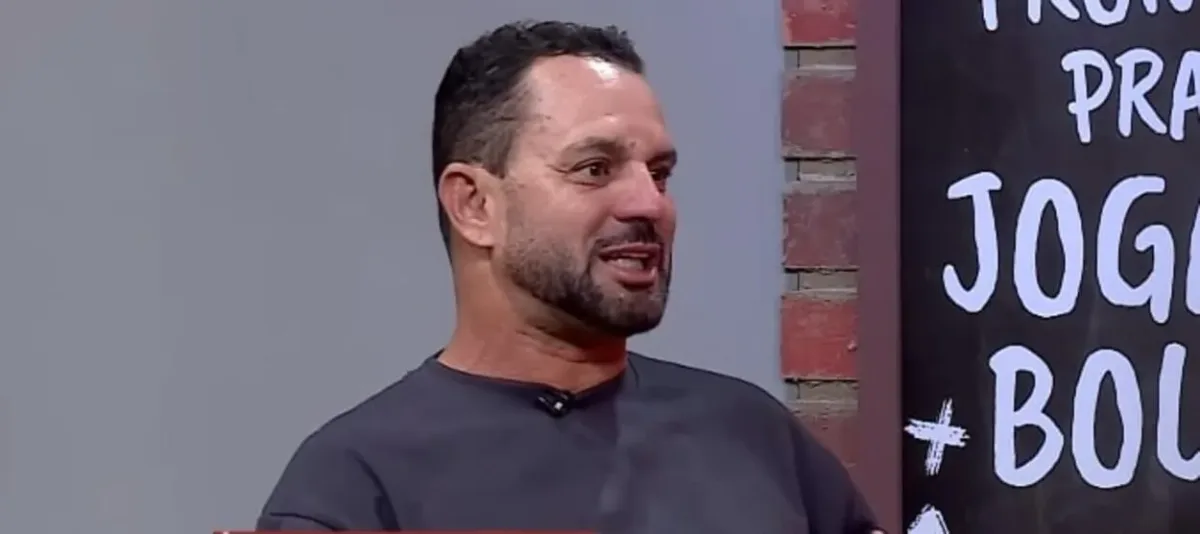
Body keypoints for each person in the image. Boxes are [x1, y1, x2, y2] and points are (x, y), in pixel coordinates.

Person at [255, 19, 883, 534]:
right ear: (475, 205)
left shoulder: (753, 435)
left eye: (659, 174)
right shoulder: (355, 484)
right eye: (594, 168)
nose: (649, 204)